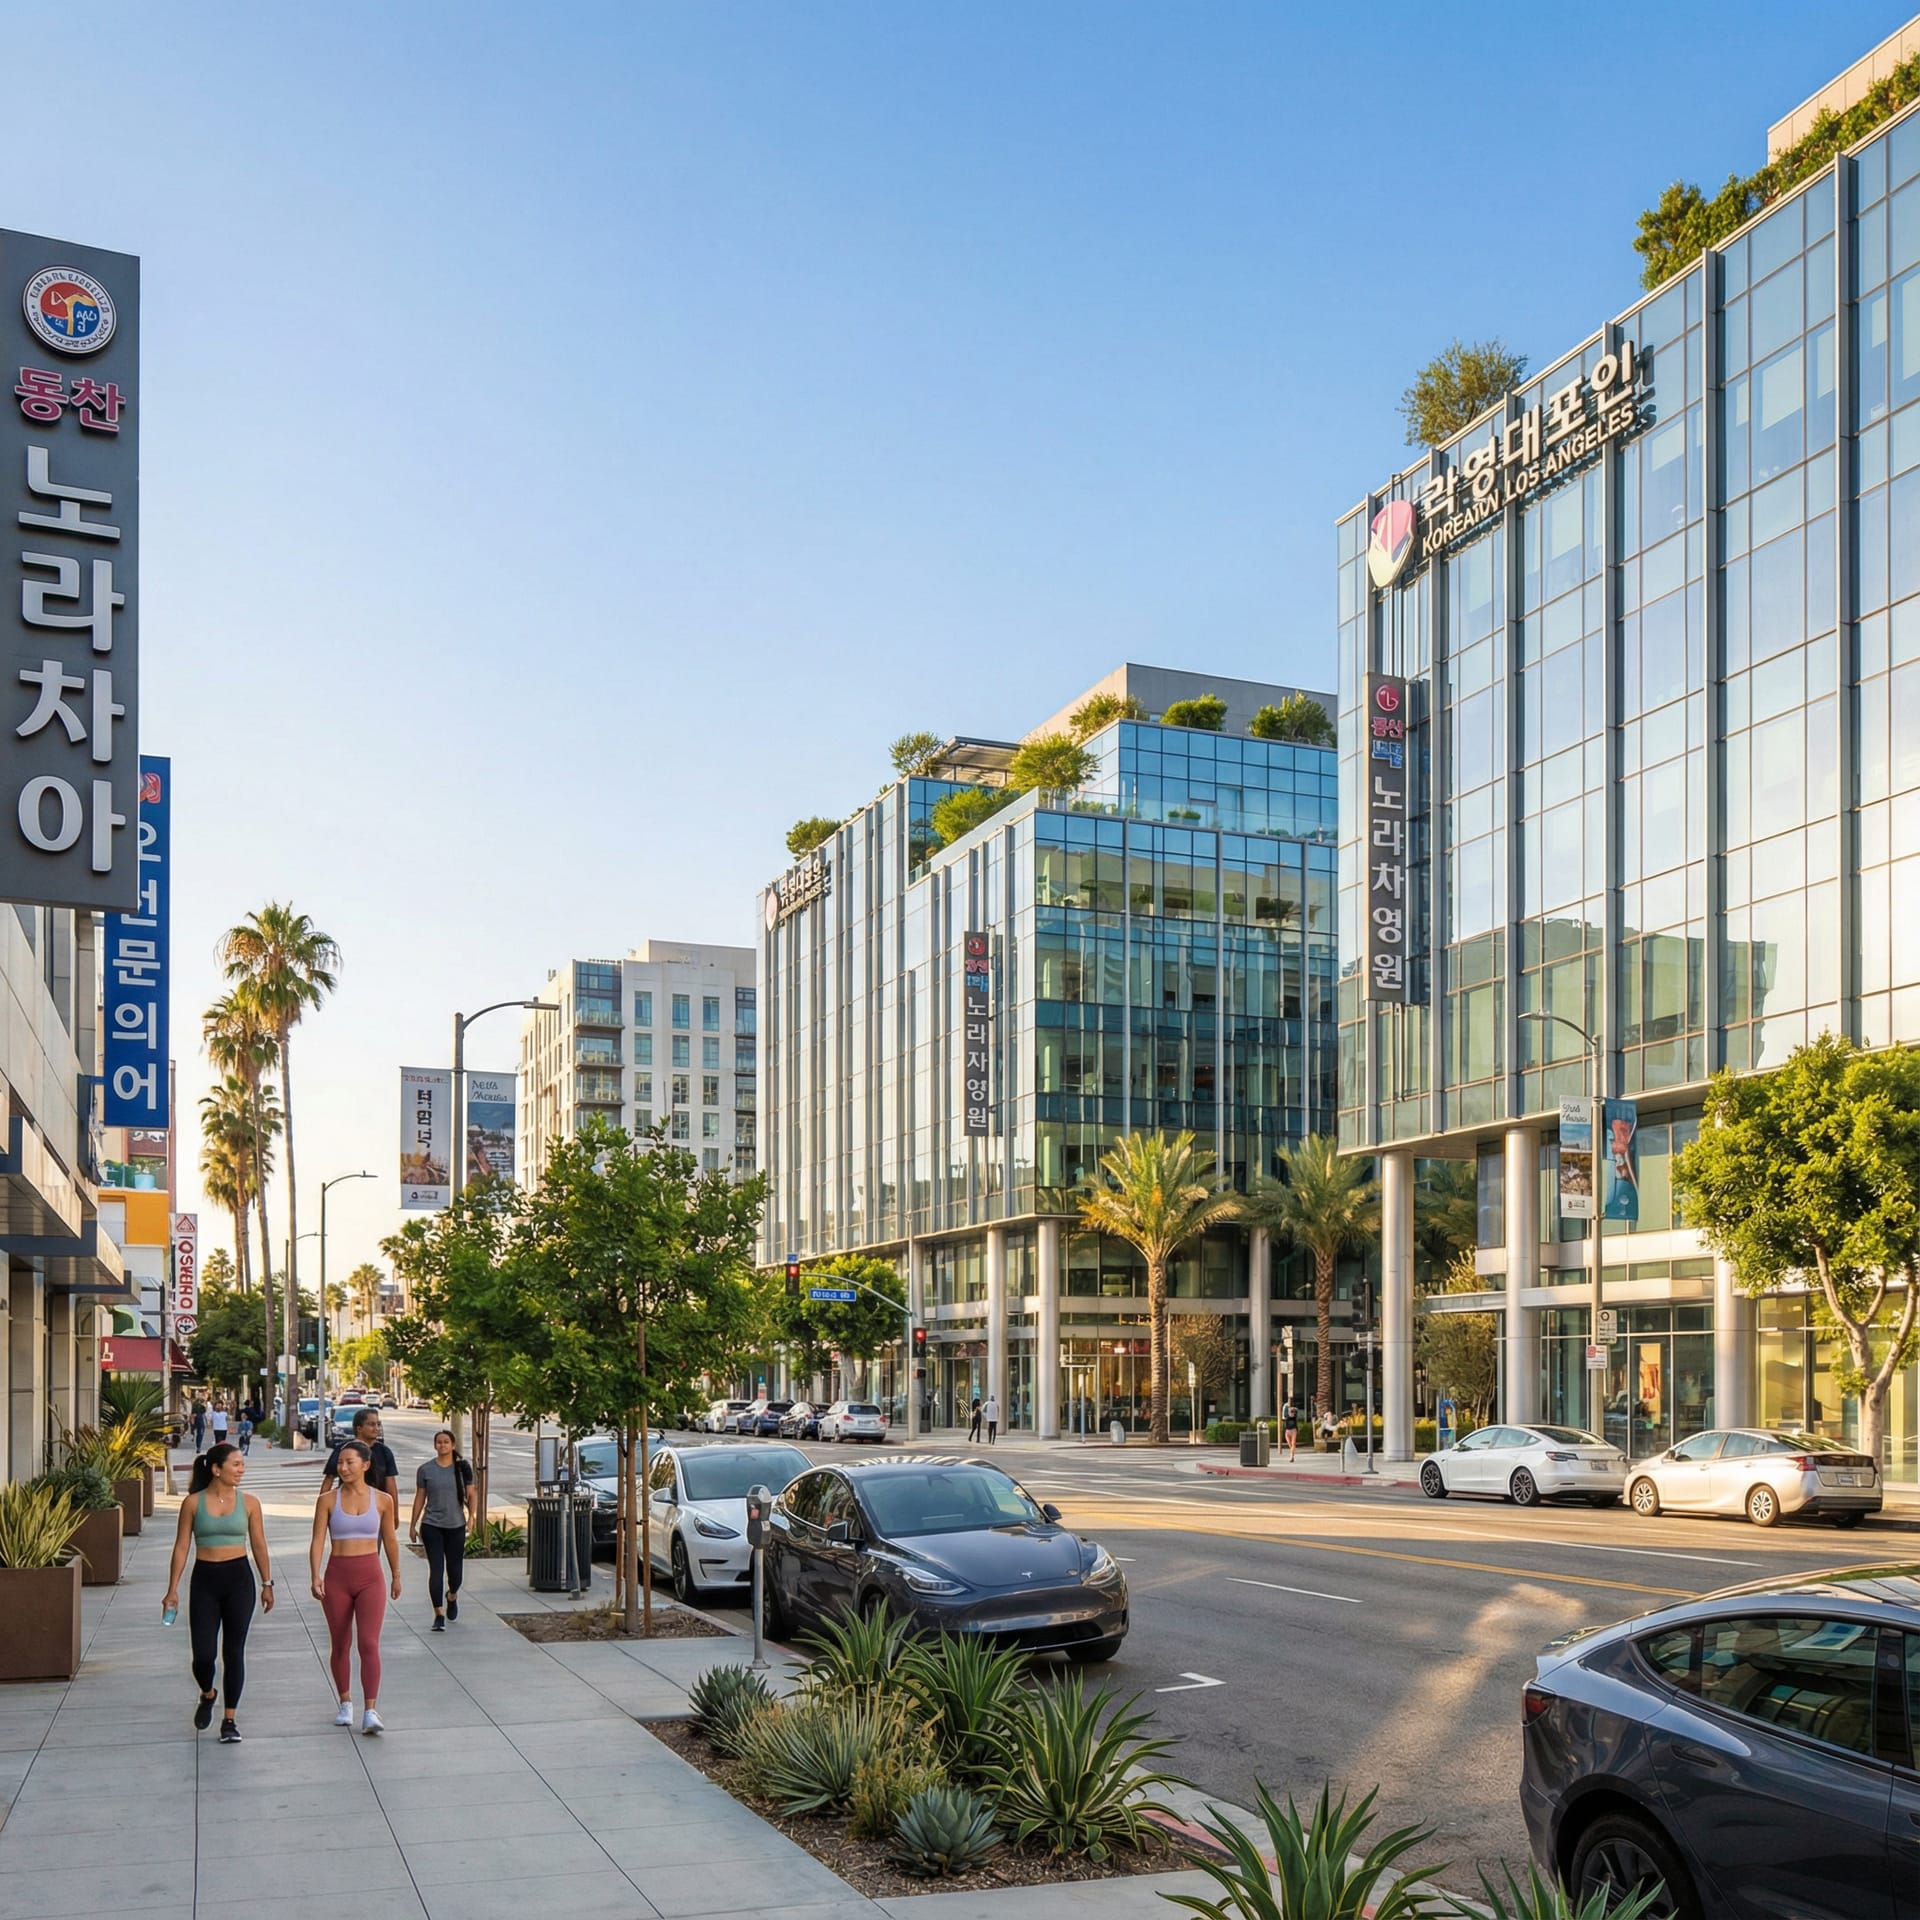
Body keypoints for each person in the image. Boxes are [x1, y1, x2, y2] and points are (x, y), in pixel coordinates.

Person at [161, 1442, 274, 1744]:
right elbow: (181, 1546)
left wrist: (267, 1583)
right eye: (235, 1464)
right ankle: (208, 1693)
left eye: (242, 1464)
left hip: (239, 1580)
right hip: (205, 1581)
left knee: (233, 1652)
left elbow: (259, 1544)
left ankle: (229, 1720)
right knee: (203, 1655)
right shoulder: (193, 1503)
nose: (241, 1470)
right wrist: (172, 1590)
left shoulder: (250, 1503)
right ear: (216, 1469)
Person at [310, 1438, 402, 1734]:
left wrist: (396, 1574)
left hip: (370, 1577)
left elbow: (390, 1540)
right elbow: (317, 1540)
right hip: (337, 1576)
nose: (344, 1467)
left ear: (365, 1465)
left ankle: (371, 1710)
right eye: (340, 1462)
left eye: (350, 1462)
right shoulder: (327, 1500)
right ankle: (345, 1702)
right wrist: (315, 1575)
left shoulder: (382, 1500)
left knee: (368, 1643)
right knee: (340, 1642)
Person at [409, 1427, 477, 1631]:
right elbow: (420, 1497)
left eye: (446, 1442)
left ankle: (452, 1596)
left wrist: (471, 1517)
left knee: (455, 1572)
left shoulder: (462, 1468)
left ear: (453, 1445)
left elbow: (471, 1494)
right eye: (439, 1442)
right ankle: (438, 1614)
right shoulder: (426, 1470)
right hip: (432, 1525)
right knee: (436, 1570)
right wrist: (413, 1524)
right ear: (434, 1445)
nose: (442, 1445)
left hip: (456, 1525)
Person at [323, 1406, 399, 1501]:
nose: (376, 1428)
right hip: (348, 1503)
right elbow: (329, 1479)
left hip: (377, 1505)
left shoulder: (384, 1451)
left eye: (378, 1424)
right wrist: (323, 1506)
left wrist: (394, 1509)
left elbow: (391, 1484)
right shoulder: (344, 1450)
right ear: (359, 1428)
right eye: (371, 1424)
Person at [1281, 1397, 1300, 1461]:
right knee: (1290, 1444)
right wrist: (1285, 1407)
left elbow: (1293, 1414)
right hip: (1287, 1430)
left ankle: (1291, 1456)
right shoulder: (1286, 1410)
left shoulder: (1294, 1410)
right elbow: (1283, 1417)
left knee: (1293, 1443)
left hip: (1293, 1430)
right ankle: (1292, 1453)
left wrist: (1291, 1409)